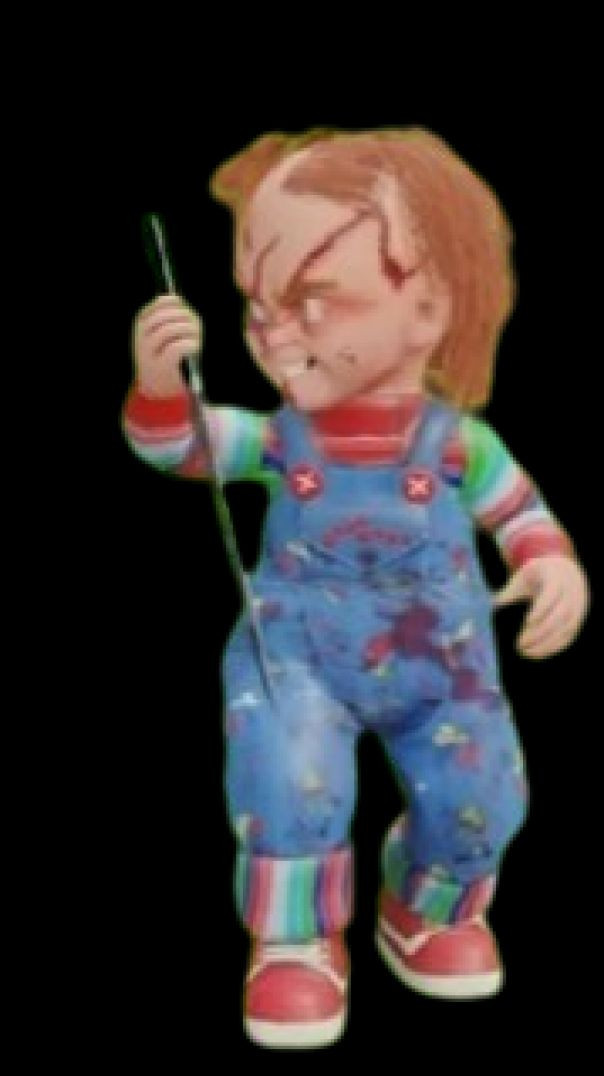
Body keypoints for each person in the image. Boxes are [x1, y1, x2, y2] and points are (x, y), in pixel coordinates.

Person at [122, 128, 589, 1048]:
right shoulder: (278, 438)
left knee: (484, 793)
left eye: (310, 299)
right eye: (258, 302)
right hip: (298, 658)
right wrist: (158, 385)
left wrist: (551, 564)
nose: (270, 330)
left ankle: (427, 906)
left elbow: (521, 511)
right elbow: (181, 449)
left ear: (431, 307)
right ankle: (294, 940)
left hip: (445, 668)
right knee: (285, 779)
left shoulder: (461, 444)